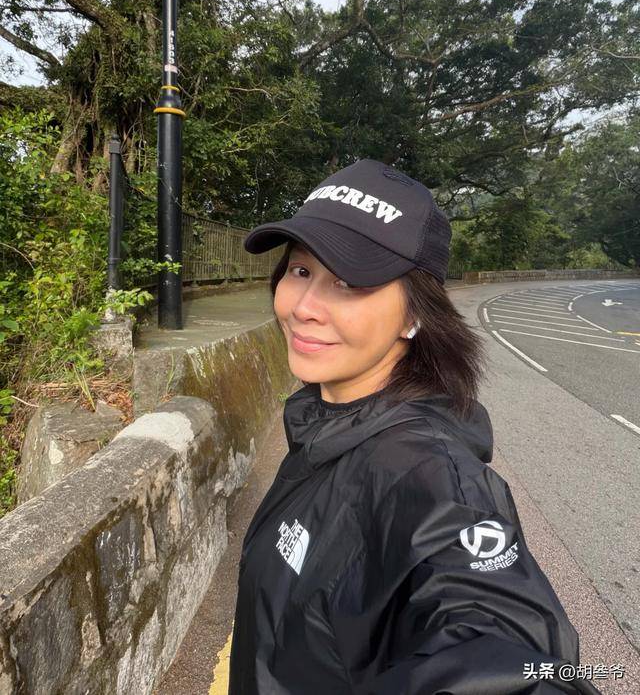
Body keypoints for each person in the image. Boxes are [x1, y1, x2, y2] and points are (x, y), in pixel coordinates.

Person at [228, 158, 601, 695]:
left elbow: (504, 649)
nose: (304, 307)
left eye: (348, 282)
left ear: (414, 315)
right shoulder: (323, 419)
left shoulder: (430, 478)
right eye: (301, 271)